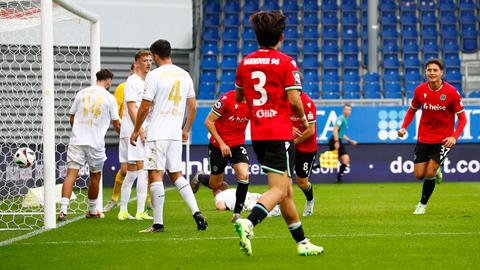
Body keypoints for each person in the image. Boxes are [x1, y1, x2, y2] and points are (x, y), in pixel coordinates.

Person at [233, 11, 323, 256]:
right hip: (279, 133)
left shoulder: (245, 62)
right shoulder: (286, 62)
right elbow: (295, 99)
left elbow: (239, 97)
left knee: (287, 192)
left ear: (257, 36)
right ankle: (248, 222)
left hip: (258, 134)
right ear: (281, 37)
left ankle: (302, 243)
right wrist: (304, 121)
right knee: (280, 190)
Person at [130, 39, 207, 232]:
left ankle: (158, 223)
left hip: (157, 133)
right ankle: (196, 212)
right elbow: (193, 107)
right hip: (174, 134)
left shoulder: (154, 76)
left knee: (155, 175)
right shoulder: (185, 75)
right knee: (177, 175)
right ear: (170, 53)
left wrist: (136, 129)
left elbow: (145, 107)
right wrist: (186, 129)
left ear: (155, 56)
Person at [398, 58, 467, 215]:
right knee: (418, 175)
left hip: (443, 140)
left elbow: (462, 118)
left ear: (441, 72)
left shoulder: (451, 93)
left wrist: (454, 137)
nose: (432, 73)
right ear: (426, 72)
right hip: (423, 138)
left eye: (435, 70)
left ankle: (422, 205)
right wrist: (403, 128)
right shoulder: (420, 90)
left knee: (429, 173)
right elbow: (412, 110)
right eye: (429, 70)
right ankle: (438, 171)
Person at [58, 69, 120, 221]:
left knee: (71, 175)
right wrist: (124, 136)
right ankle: (92, 211)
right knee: (95, 176)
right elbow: (116, 123)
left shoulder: (81, 93)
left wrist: (78, 131)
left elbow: (71, 117)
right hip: (96, 142)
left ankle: (63, 210)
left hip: (77, 140)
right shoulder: (109, 98)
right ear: (108, 81)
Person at [204, 89, 250, 222]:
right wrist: (222, 143)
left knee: (243, 174)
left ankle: (237, 213)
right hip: (218, 145)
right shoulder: (227, 99)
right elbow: (208, 121)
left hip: (237, 144)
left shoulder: (254, 102)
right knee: (215, 184)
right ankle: (201, 177)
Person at [117, 50, 153, 221]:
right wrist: (140, 130)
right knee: (143, 170)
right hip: (134, 130)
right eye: (145, 60)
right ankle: (140, 211)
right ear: (136, 63)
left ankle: (123, 210)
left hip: (131, 130)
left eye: (150, 60)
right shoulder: (133, 81)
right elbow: (132, 107)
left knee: (131, 173)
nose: (148, 63)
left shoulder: (144, 81)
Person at [104, 63, 134, 212]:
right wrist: (121, 129)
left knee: (148, 169)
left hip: (145, 132)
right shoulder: (123, 87)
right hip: (127, 132)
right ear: (131, 70)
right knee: (124, 169)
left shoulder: (148, 85)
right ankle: (114, 199)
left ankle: (149, 201)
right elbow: (115, 109)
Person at [291, 92, 317, 216]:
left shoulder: (307, 103)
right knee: (281, 178)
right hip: (287, 146)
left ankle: (310, 200)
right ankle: (279, 207)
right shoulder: (284, 99)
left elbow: (311, 130)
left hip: (306, 149)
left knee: (302, 183)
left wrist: (294, 141)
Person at [328, 104, 357, 182]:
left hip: (338, 140)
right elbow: (335, 129)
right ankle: (313, 168)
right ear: (343, 110)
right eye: (346, 110)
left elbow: (341, 133)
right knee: (331, 160)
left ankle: (339, 178)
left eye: (349, 110)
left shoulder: (344, 119)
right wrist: (336, 141)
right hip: (335, 140)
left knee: (345, 159)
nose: (347, 111)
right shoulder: (341, 118)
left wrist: (349, 141)